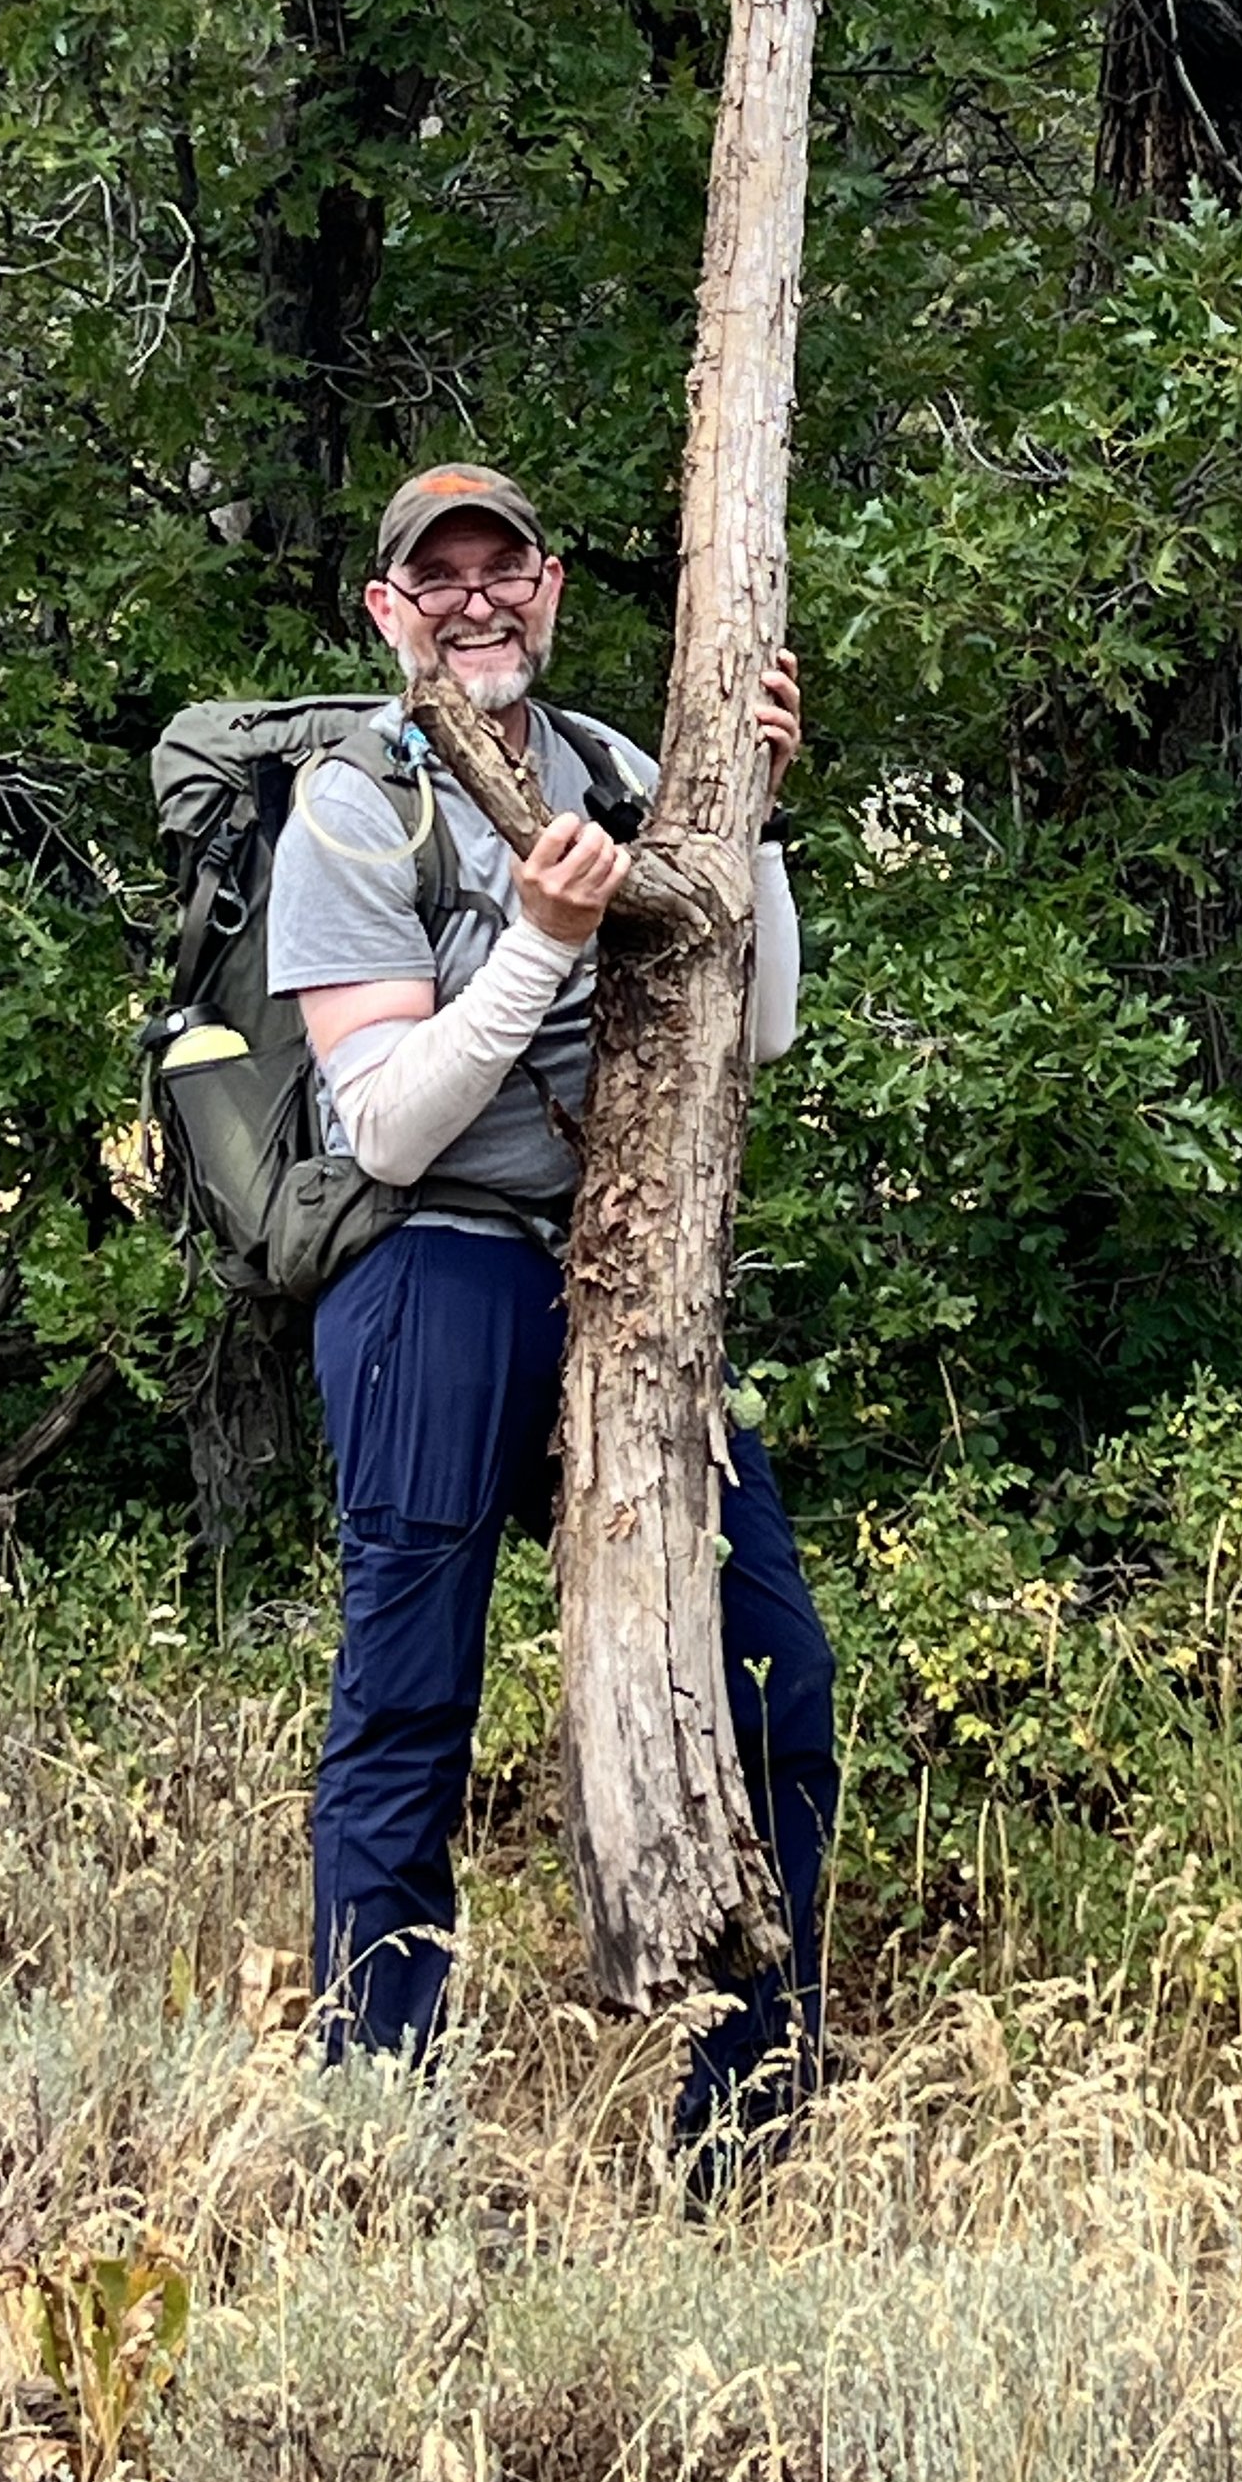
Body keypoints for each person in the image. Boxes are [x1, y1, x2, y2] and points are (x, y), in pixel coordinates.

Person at [266, 457, 837, 2169]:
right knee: (411, 1700)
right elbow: (386, 1124)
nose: (474, 601)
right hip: (429, 1268)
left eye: (500, 569)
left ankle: (746, 2122)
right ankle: (382, 2125)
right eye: (435, 578)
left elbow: (757, 1031)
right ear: (387, 609)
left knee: (774, 1668)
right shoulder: (354, 809)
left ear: (550, 585)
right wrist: (536, 941)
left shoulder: (618, 771)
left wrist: (750, 817)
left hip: (623, 1270)